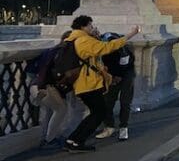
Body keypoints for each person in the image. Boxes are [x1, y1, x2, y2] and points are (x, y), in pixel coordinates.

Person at [64, 16, 140, 152]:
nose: (92, 28)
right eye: (90, 26)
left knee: (96, 112)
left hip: (84, 83)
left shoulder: (73, 39)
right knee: (100, 112)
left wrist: (109, 78)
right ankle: (77, 141)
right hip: (87, 84)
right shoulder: (83, 41)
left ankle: (72, 140)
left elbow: (95, 62)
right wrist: (130, 35)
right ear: (83, 27)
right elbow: (107, 47)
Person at [30, 31, 71, 148]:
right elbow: (47, 71)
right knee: (61, 109)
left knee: (49, 112)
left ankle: (46, 138)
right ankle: (50, 139)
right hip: (45, 86)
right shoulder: (62, 53)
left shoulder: (51, 50)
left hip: (37, 84)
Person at [96, 32, 136, 141]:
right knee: (108, 101)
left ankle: (123, 127)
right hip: (112, 74)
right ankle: (109, 126)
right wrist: (111, 77)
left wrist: (118, 76)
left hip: (126, 74)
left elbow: (126, 64)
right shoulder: (101, 46)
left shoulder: (121, 49)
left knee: (125, 101)